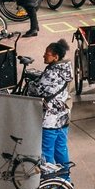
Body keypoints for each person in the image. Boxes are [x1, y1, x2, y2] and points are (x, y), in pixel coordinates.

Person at [30, 39, 74, 170]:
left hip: (50, 120)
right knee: (61, 150)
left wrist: (31, 84)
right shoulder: (66, 69)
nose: (44, 55)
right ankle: (65, 182)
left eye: (47, 54)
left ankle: (51, 185)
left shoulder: (52, 72)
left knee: (46, 152)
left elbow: (37, 89)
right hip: (63, 118)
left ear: (56, 57)